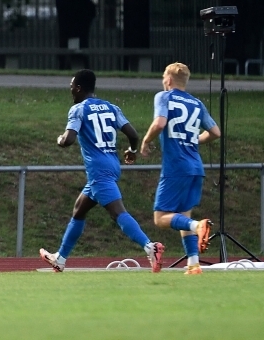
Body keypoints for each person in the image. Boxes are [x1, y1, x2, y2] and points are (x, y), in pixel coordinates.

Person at [40, 69, 165, 273]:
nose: (71, 90)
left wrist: (60, 140)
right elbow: (133, 134)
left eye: (72, 87)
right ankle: (60, 258)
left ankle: (150, 247)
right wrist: (132, 151)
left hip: (98, 170)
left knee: (118, 213)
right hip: (112, 164)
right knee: (79, 209)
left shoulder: (78, 109)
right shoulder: (111, 107)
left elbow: (69, 139)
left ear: (79, 88)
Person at [140, 62, 221, 275]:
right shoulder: (196, 103)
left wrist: (146, 141)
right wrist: (194, 140)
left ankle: (198, 227)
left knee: (161, 218)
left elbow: (159, 123)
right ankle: (193, 264)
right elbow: (215, 132)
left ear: (168, 80)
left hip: (176, 166)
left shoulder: (164, 97)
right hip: (196, 166)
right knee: (183, 215)